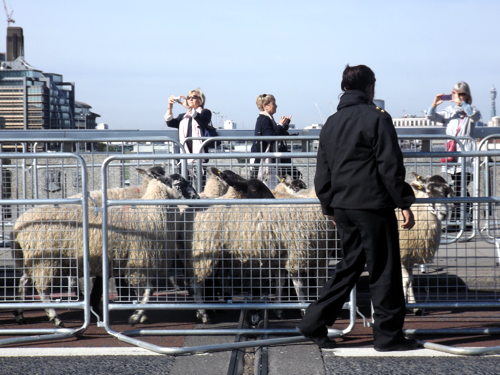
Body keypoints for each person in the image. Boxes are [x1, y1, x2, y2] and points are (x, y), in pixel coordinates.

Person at [298, 64, 419, 352]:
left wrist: (328, 206)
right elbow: (390, 166)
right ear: (370, 87)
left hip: (342, 205)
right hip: (372, 205)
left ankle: (314, 321)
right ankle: (388, 336)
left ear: (344, 87)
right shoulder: (377, 118)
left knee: (349, 266)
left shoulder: (331, 122)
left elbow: (322, 171)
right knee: (384, 269)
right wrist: (403, 202)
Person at [426, 82, 481, 221]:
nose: (459, 97)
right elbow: (431, 116)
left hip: (466, 155)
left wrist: (463, 104)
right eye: (456, 93)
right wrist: (434, 104)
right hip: (452, 154)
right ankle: (463, 217)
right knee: (457, 185)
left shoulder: (471, 109)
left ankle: (460, 218)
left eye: (462, 93)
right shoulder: (450, 111)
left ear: (467, 95)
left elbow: (475, 117)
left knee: (459, 186)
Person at [250, 94, 292, 183]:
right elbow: (270, 136)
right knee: (268, 184)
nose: (276, 106)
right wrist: (280, 125)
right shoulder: (264, 119)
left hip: (265, 158)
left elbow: (275, 132)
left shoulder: (266, 118)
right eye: (274, 103)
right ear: (266, 106)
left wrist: (285, 124)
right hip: (264, 159)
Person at [164, 88, 212, 156]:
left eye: (194, 97)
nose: (190, 99)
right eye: (188, 97)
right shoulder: (183, 116)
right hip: (184, 153)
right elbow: (170, 123)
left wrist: (189, 108)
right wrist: (170, 107)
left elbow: (202, 121)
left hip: (201, 154)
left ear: (200, 100)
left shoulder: (205, 112)